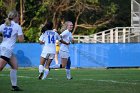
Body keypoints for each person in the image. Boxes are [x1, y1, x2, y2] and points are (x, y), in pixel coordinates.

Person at [0, 10, 24, 91]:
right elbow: (21, 40)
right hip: (7, 49)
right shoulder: (17, 26)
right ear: (15, 17)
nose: (18, 18)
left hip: (4, 48)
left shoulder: (3, 25)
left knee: (14, 66)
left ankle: (14, 86)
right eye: (17, 16)